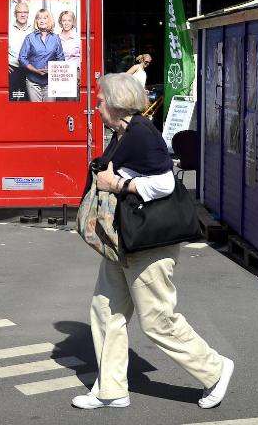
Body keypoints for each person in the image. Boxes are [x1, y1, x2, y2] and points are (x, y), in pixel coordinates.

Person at [74, 72, 234, 410]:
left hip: (148, 242)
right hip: (123, 239)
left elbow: (163, 184)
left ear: (116, 104)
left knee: (157, 321)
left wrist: (117, 185)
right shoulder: (123, 132)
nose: (97, 105)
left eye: (100, 100)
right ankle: (111, 389)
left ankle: (215, 370)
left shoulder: (142, 134)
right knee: (106, 310)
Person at [18, 8, 65, 102]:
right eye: (39, 18)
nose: (42, 20)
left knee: (50, 111)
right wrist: (36, 70)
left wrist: (51, 70)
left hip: (50, 82)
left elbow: (61, 58)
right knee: (35, 113)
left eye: (45, 18)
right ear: (36, 21)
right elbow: (22, 58)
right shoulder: (30, 38)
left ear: (49, 20)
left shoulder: (55, 38)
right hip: (32, 83)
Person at [7, 1, 33, 101]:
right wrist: (4, 63)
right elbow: (0, 47)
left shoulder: (34, 29)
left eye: (25, 12)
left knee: (27, 99)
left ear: (28, 14)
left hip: (29, 69)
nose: (23, 15)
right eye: (19, 12)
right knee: (11, 98)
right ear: (15, 14)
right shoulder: (8, 28)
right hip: (12, 68)